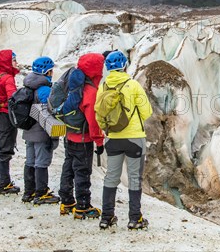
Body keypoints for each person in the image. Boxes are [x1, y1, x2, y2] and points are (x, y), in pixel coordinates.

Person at [95, 51, 153, 230]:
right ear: (124, 65)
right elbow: (147, 112)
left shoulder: (103, 86)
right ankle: (134, 219)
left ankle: (107, 217)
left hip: (113, 139)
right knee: (135, 178)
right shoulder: (133, 85)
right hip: (134, 138)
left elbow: (99, 114)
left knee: (111, 177)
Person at [58, 53, 105, 219]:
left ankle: (66, 201)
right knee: (82, 171)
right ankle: (83, 206)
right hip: (83, 139)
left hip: (69, 135)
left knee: (68, 167)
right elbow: (93, 121)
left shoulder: (73, 84)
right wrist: (99, 142)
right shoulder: (90, 91)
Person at [21, 56, 60, 205]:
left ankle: (28, 192)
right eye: (51, 70)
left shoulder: (28, 85)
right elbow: (49, 109)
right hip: (41, 131)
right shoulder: (44, 89)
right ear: (47, 71)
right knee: (42, 162)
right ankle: (41, 193)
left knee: (30, 160)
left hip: (29, 129)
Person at [0, 49, 21, 195]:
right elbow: (13, 99)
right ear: (7, 62)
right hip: (5, 117)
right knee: (4, 151)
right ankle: (4, 184)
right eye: (13, 60)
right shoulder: (7, 78)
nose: (16, 63)